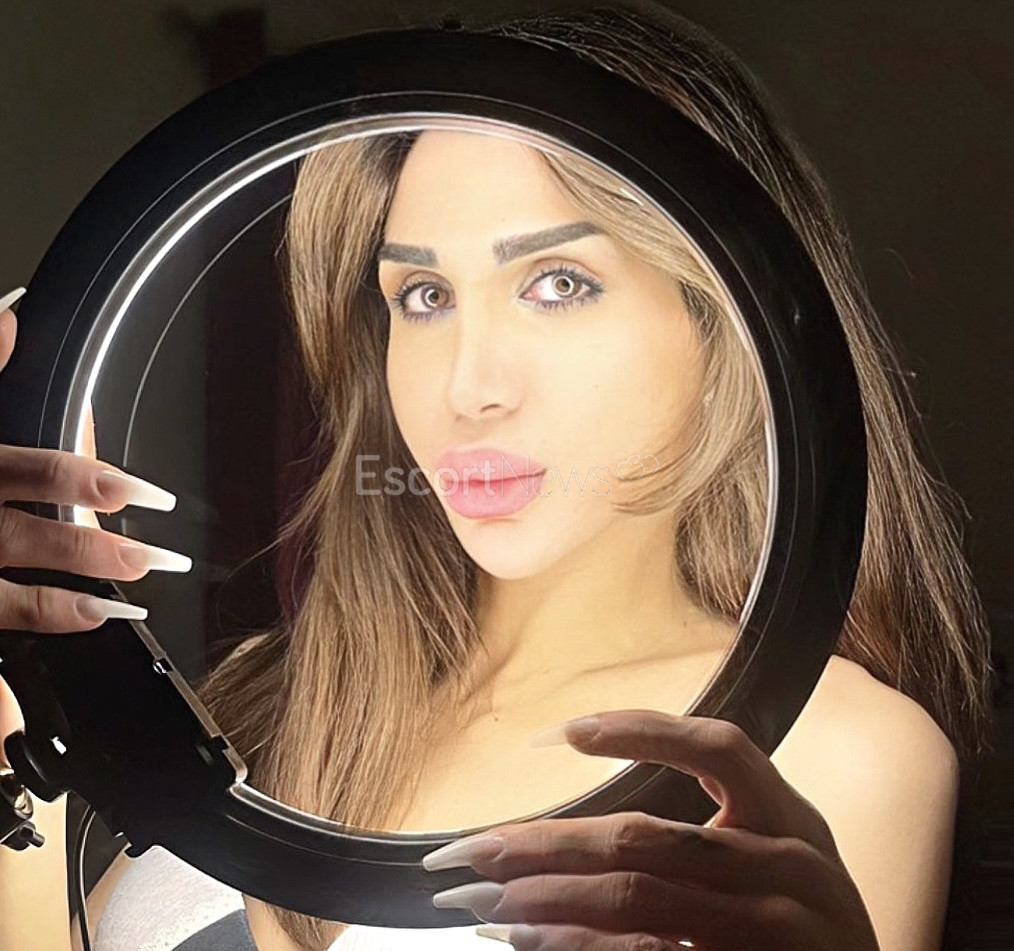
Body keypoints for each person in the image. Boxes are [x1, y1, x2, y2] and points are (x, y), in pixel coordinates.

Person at [0, 5, 992, 951]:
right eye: (424, 296)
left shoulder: (834, 753)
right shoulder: (267, 696)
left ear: (726, 322)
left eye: (558, 284)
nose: (468, 387)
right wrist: (20, 674)